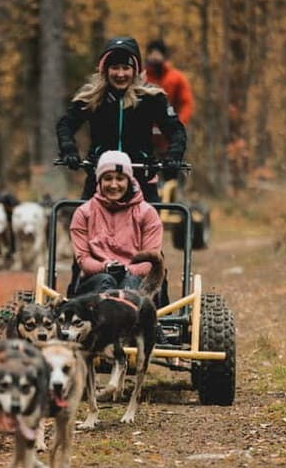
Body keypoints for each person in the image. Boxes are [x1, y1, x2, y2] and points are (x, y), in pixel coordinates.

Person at [57, 36, 187, 202]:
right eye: (115, 68)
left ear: (135, 70)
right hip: (100, 179)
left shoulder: (151, 98)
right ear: (105, 69)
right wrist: (69, 149)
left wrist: (174, 154)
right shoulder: (92, 97)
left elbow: (176, 129)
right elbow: (66, 124)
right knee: (84, 223)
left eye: (126, 68)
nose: (120, 74)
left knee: (150, 226)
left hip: (141, 178)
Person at [69, 151, 163, 295]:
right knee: (105, 280)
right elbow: (84, 259)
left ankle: (124, 311)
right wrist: (105, 267)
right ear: (99, 181)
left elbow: (150, 261)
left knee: (130, 282)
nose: (114, 185)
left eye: (120, 178)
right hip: (95, 280)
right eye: (108, 178)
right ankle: (111, 312)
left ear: (129, 180)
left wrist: (127, 270)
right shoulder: (83, 213)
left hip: (137, 280)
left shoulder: (147, 213)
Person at [144, 39, 195, 163]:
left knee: (172, 167)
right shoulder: (142, 77)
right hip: (145, 133)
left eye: (158, 53)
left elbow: (186, 103)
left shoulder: (176, 78)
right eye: (152, 53)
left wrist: (179, 125)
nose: (155, 56)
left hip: (169, 132)